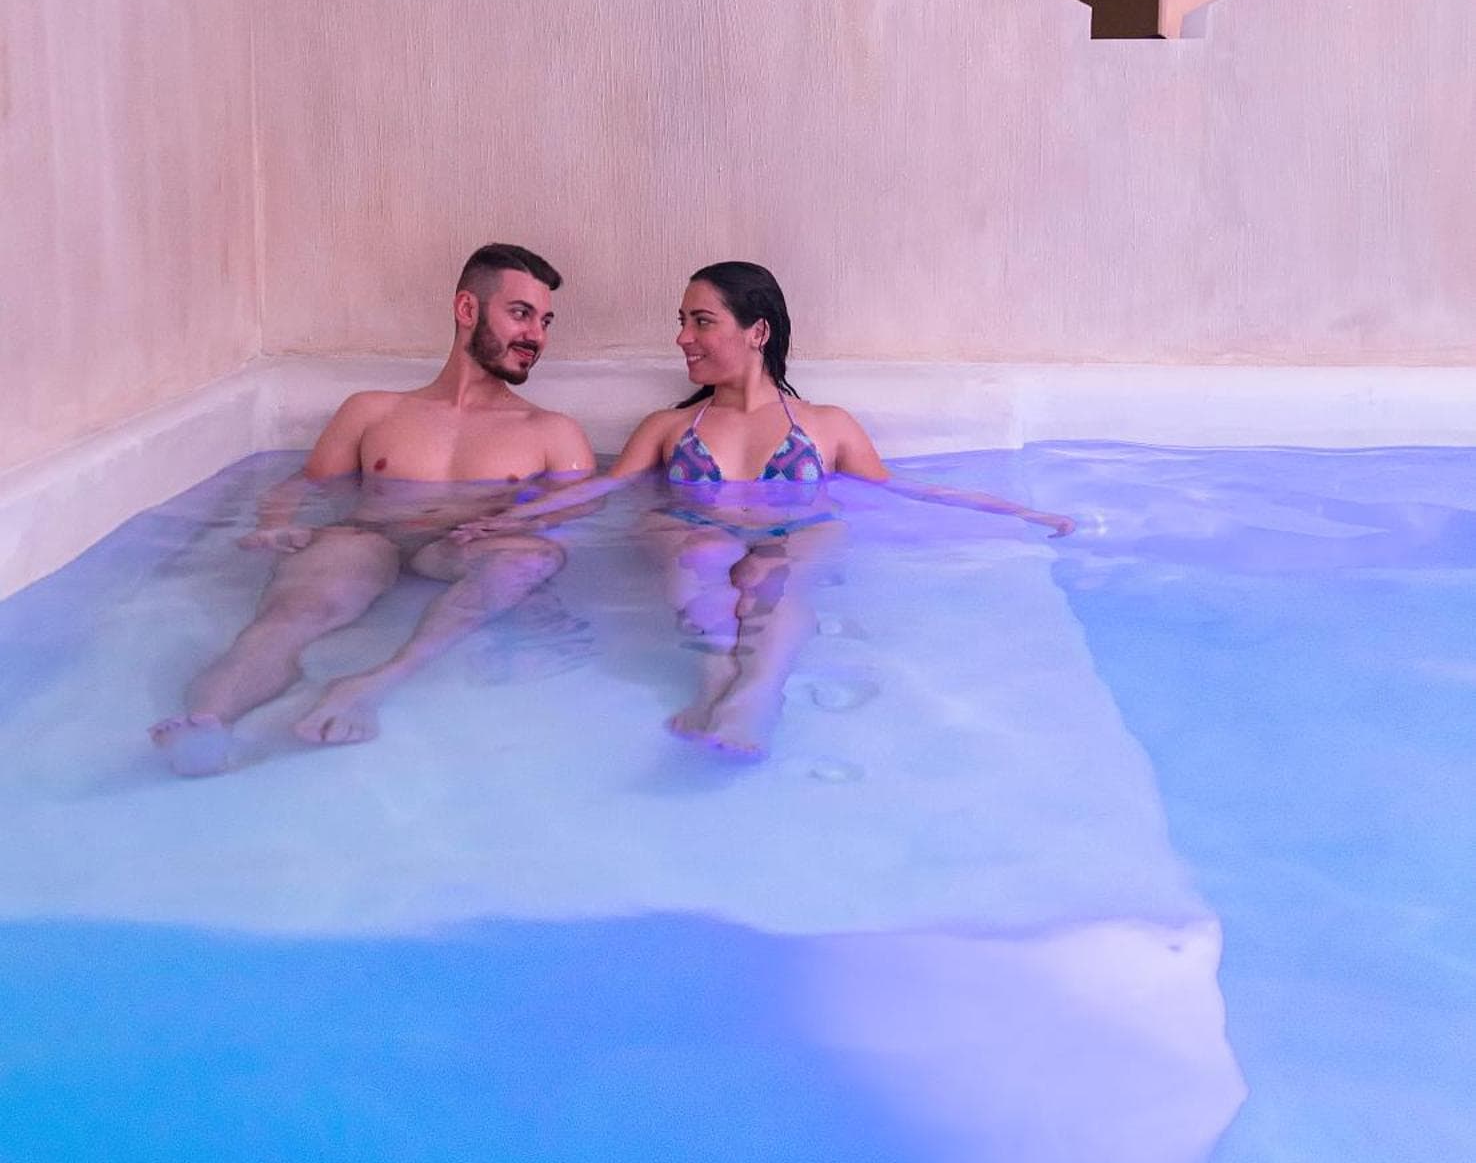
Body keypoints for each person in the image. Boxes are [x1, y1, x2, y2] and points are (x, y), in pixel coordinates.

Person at [473, 261, 1073, 761]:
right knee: (702, 549)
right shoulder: (669, 427)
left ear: (757, 331)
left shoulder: (825, 425)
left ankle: (757, 693)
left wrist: (1019, 514)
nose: (683, 337)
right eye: (682, 321)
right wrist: (511, 520)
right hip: (694, 529)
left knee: (771, 572)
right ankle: (715, 678)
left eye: (701, 321)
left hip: (798, 529)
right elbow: (607, 488)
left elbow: (900, 489)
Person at [149, 243, 595, 776]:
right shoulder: (372, 411)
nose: (536, 336)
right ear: (467, 309)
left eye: (545, 321)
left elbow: (574, 514)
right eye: (521, 314)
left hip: (462, 548)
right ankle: (208, 721)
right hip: (368, 535)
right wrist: (275, 525)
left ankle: (370, 685)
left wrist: (518, 519)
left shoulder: (552, 432)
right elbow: (306, 485)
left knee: (529, 557)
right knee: (294, 614)